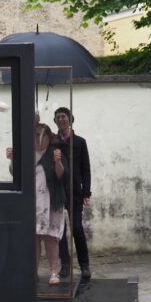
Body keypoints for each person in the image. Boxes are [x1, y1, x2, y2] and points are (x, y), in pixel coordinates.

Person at [6, 123, 67, 284]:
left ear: (48, 137)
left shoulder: (55, 151)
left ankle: (54, 272)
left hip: (51, 200)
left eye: (42, 135)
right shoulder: (27, 154)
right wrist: (12, 159)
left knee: (51, 238)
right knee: (34, 237)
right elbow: (16, 173)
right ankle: (33, 272)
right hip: (33, 201)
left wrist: (58, 161)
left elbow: (61, 175)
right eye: (36, 135)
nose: (39, 139)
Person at [53, 107, 92, 279]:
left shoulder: (80, 142)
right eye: (58, 117)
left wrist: (86, 192)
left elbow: (86, 169)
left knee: (77, 228)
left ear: (70, 119)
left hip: (75, 191)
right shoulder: (53, 142)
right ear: (55, 121)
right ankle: (65, 264)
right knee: (60, 231)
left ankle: (84, 265)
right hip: (57, 191)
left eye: (64, 116)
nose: (61, 119)